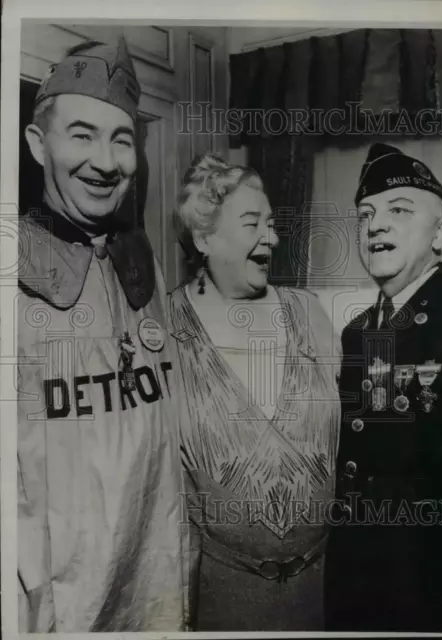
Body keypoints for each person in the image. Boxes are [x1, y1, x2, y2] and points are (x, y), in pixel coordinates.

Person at [17, 38, 188, 632]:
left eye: (122, 139)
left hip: (158, 590)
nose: (106, 161)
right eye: (82, 134)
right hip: (58, 610)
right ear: (39, 145)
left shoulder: (146, 267)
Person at [168, 152, 341, 631]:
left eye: (271, 223)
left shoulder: (309, 313)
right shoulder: (164, 331)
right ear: (204, 238)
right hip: (223, 597)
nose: (272, 237)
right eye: (252, 223)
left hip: (325, 590)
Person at [325, 143, 442, 632]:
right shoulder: (360, 331)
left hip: (431, 592)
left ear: (441, 232)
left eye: (399, 211)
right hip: (357, 586)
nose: (375, 225)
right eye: (365, 215)